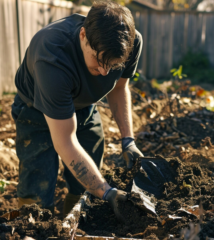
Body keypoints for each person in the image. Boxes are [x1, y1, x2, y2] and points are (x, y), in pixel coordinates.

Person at [11, 1, 144, 220]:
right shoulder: (52, 56)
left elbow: (120, 87)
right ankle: (33, 226)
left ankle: (74, 224)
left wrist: (128, 141)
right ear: (83, 35)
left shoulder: (130, 42)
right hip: (36, 110)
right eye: (98, 59)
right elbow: (65, 142)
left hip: (84, 106)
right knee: (37, 183)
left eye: (111, 65)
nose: (103, 71)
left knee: (87, 181)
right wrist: (108, 192)